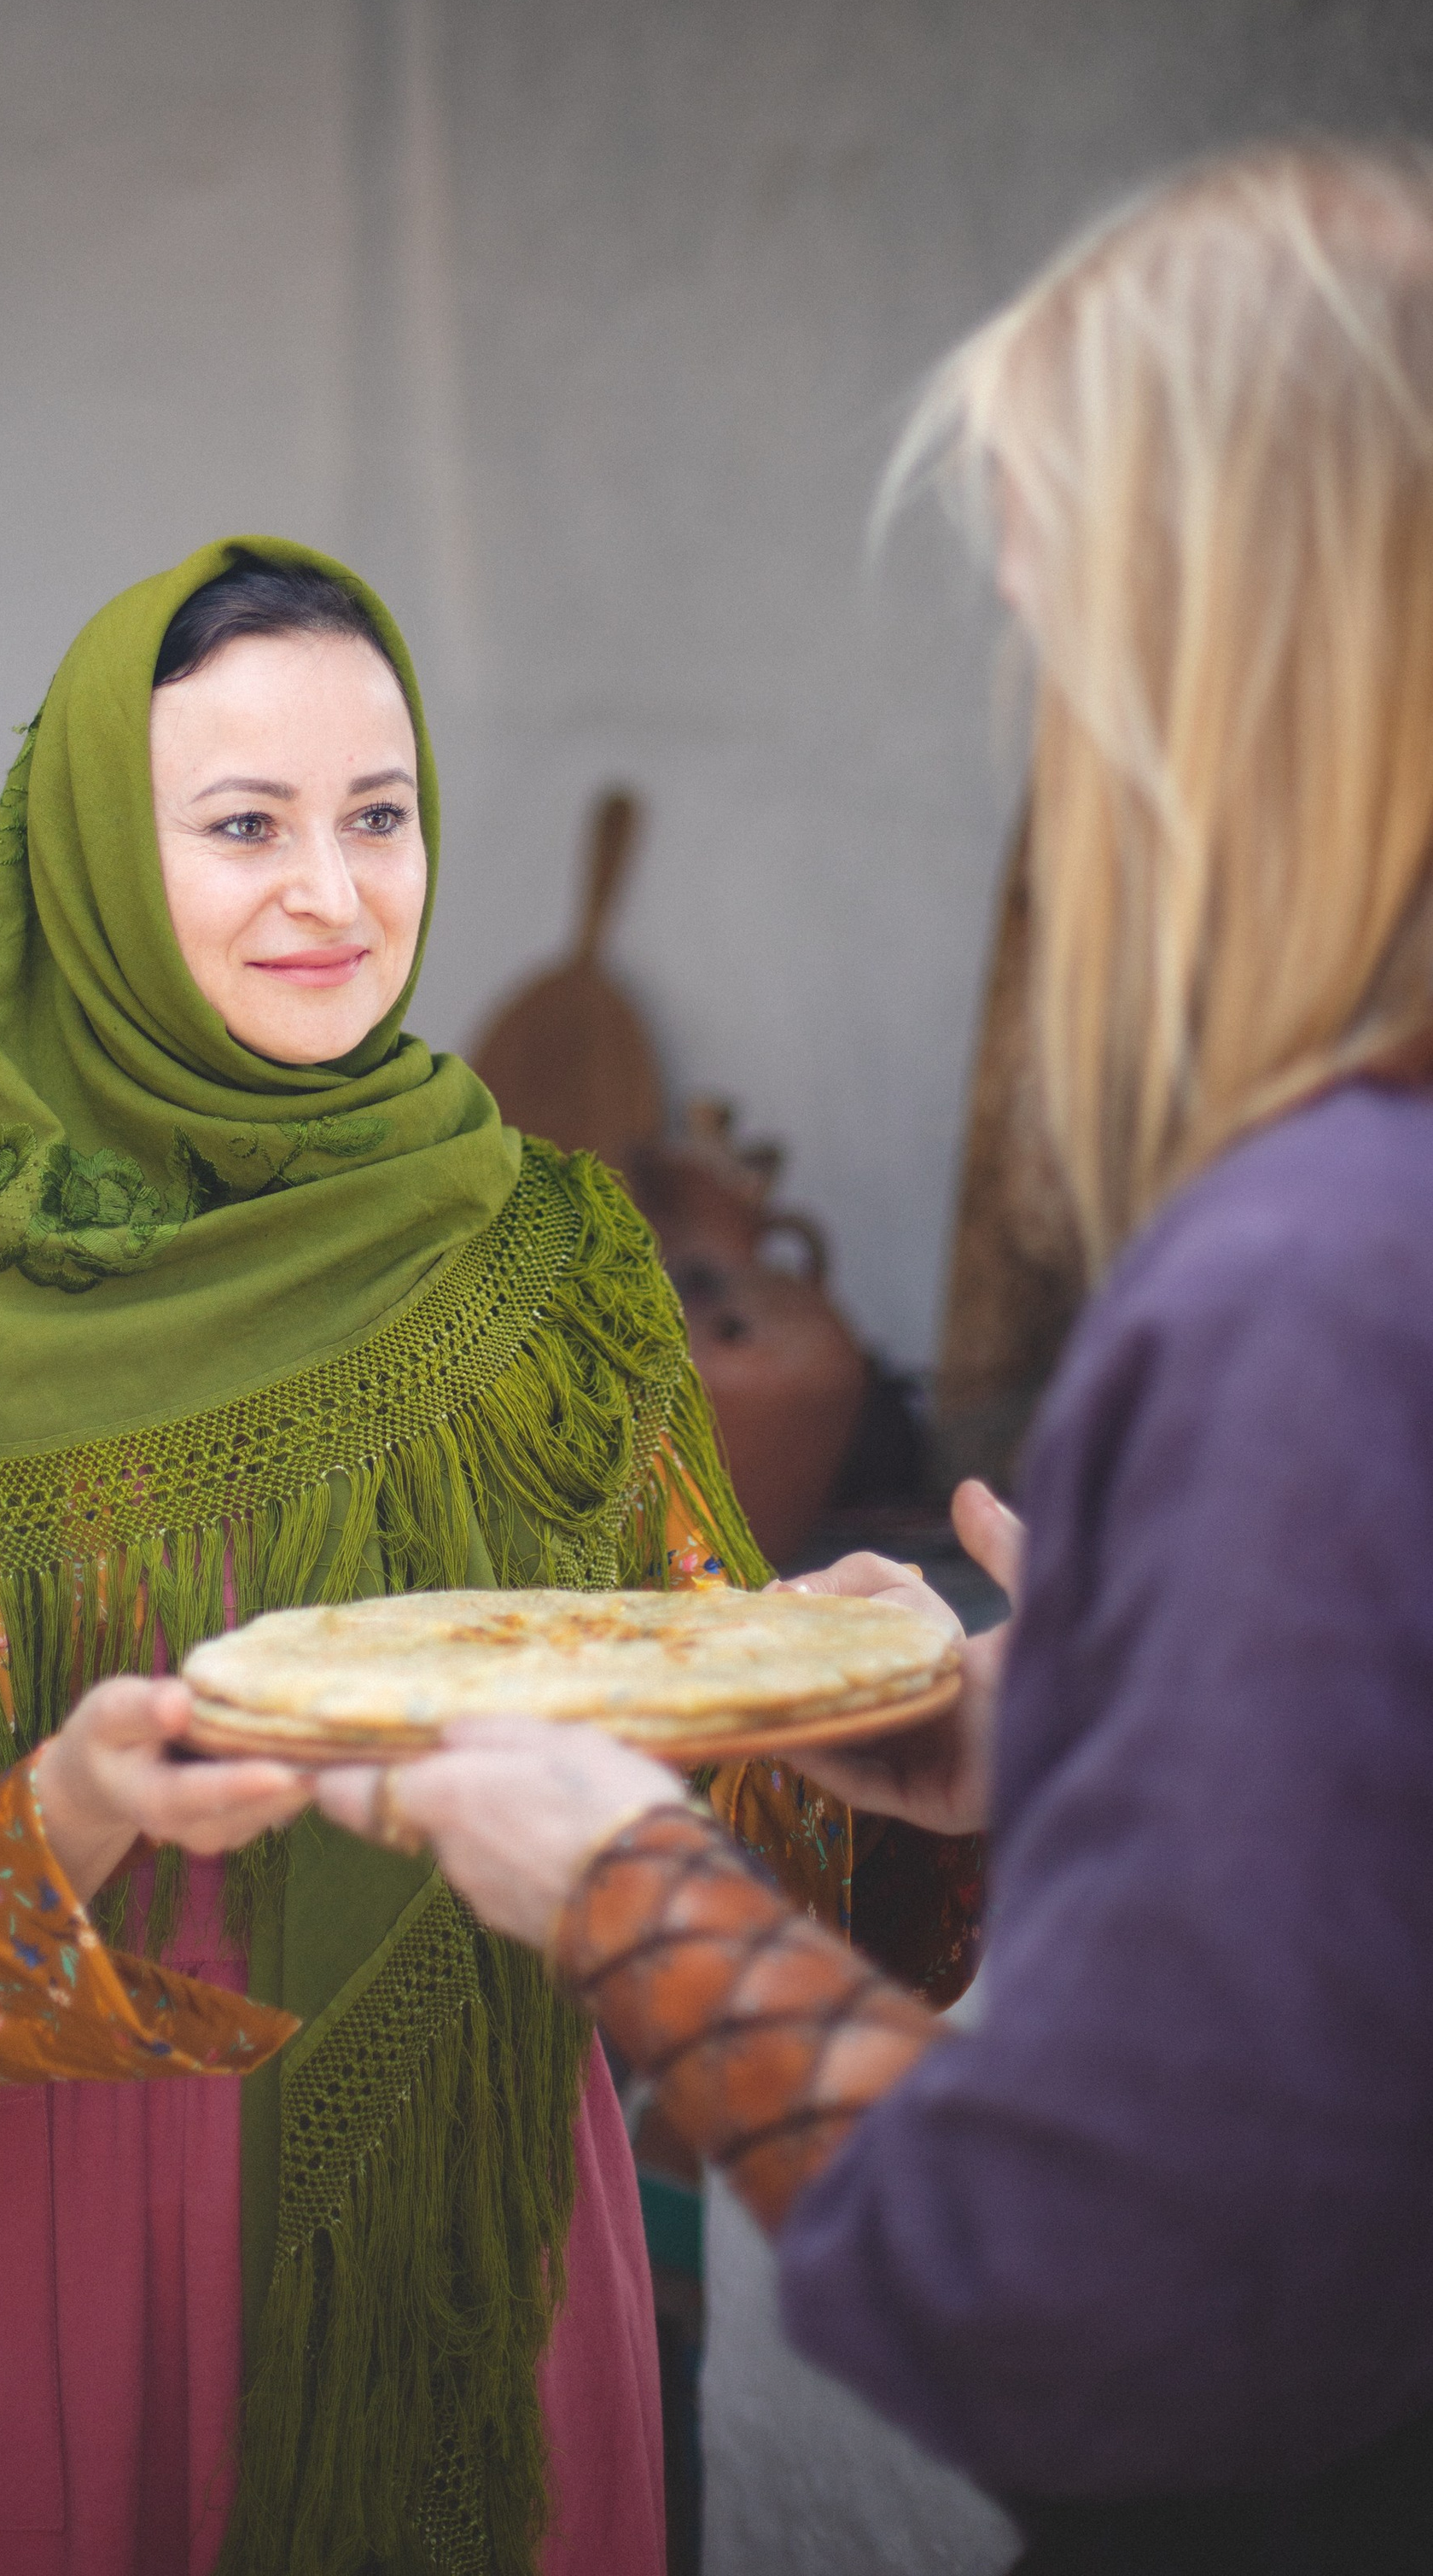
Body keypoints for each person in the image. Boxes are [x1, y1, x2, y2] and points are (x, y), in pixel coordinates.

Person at [320, 143, 1433, 2573]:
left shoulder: (1302, 1278)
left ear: (1232, 673)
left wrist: (608, 1870)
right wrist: (1043, 1726)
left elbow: (1085, 2293)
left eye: (1070, 643)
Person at [0, 535, 901, 2576]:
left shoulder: (547, 1251)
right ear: (99, 853)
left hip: (466, 2223)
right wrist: (74, 1808)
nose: (331, 893)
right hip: (50, 2220)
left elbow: (716, 1780)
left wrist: (856, 1704)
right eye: (240, 825)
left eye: (378, 816)